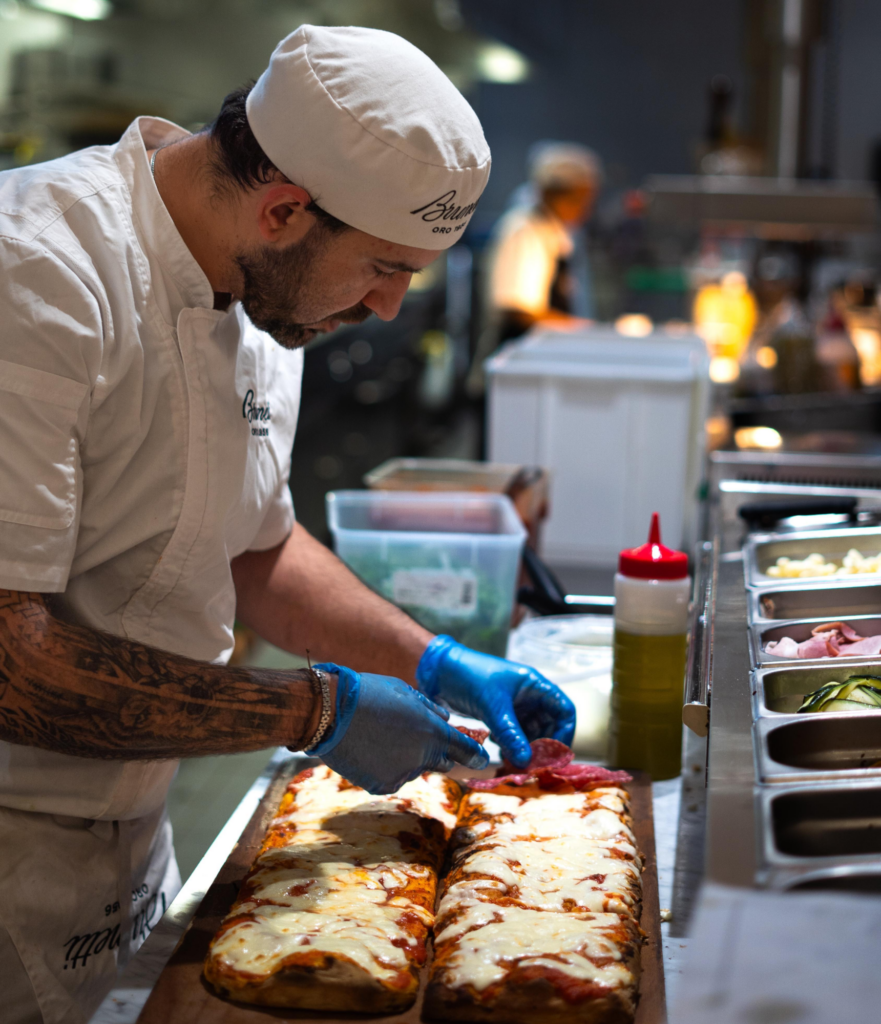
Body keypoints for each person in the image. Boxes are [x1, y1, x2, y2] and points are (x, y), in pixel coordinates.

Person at [0, 26, 575, 1024]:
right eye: (385, 269)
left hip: (133, 835)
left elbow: (255, 544)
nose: (391, 308)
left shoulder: (273, 297)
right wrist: (312, 711)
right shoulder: (38, 274)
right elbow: (13, 661)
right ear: (283, 209)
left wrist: (426, 656)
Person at [468, 142, 602, 394]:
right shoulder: (524, 230)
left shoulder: (555, 233)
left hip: (536, 374)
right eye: (580, 198)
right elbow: (518, 311)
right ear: (553, 194)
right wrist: (585, 330)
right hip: (513, 375)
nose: (586, 208)